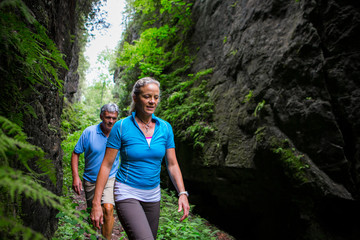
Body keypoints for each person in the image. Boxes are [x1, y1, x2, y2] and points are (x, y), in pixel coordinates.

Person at [90, 77, 190, 240]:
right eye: (147, 96)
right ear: (135, 98)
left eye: (156, 97)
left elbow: (172, 164)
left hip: (153, 195)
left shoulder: (165, 128)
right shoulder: (121, 126)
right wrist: (96, 202)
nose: (152, 101)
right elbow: (107, 165)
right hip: (127, 191)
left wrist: (182, 193)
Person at [71, 103, 120, 240]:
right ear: (101, 116)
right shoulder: (89, 132)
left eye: (114, 118)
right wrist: (76, 177)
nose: (111, 121)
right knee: (95, 215)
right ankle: (95, 236)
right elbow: (76, 153)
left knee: (108, 208)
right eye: (108, 117)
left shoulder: (118, 134)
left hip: (110, 178)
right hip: (90, 180)